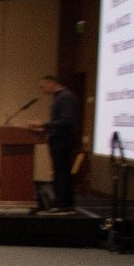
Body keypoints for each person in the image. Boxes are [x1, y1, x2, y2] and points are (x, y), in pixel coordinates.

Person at [33, 72, 82, 213]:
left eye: (43, 87)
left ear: (51, 83)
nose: (42, 90)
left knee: (61, 173)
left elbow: (67, 120)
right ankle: (64, 202)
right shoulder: (61, 97)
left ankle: (62, 203)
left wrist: (44, 124)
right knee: (61, 172)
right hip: (60, 139)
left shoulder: (65, 97)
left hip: (63, 140)